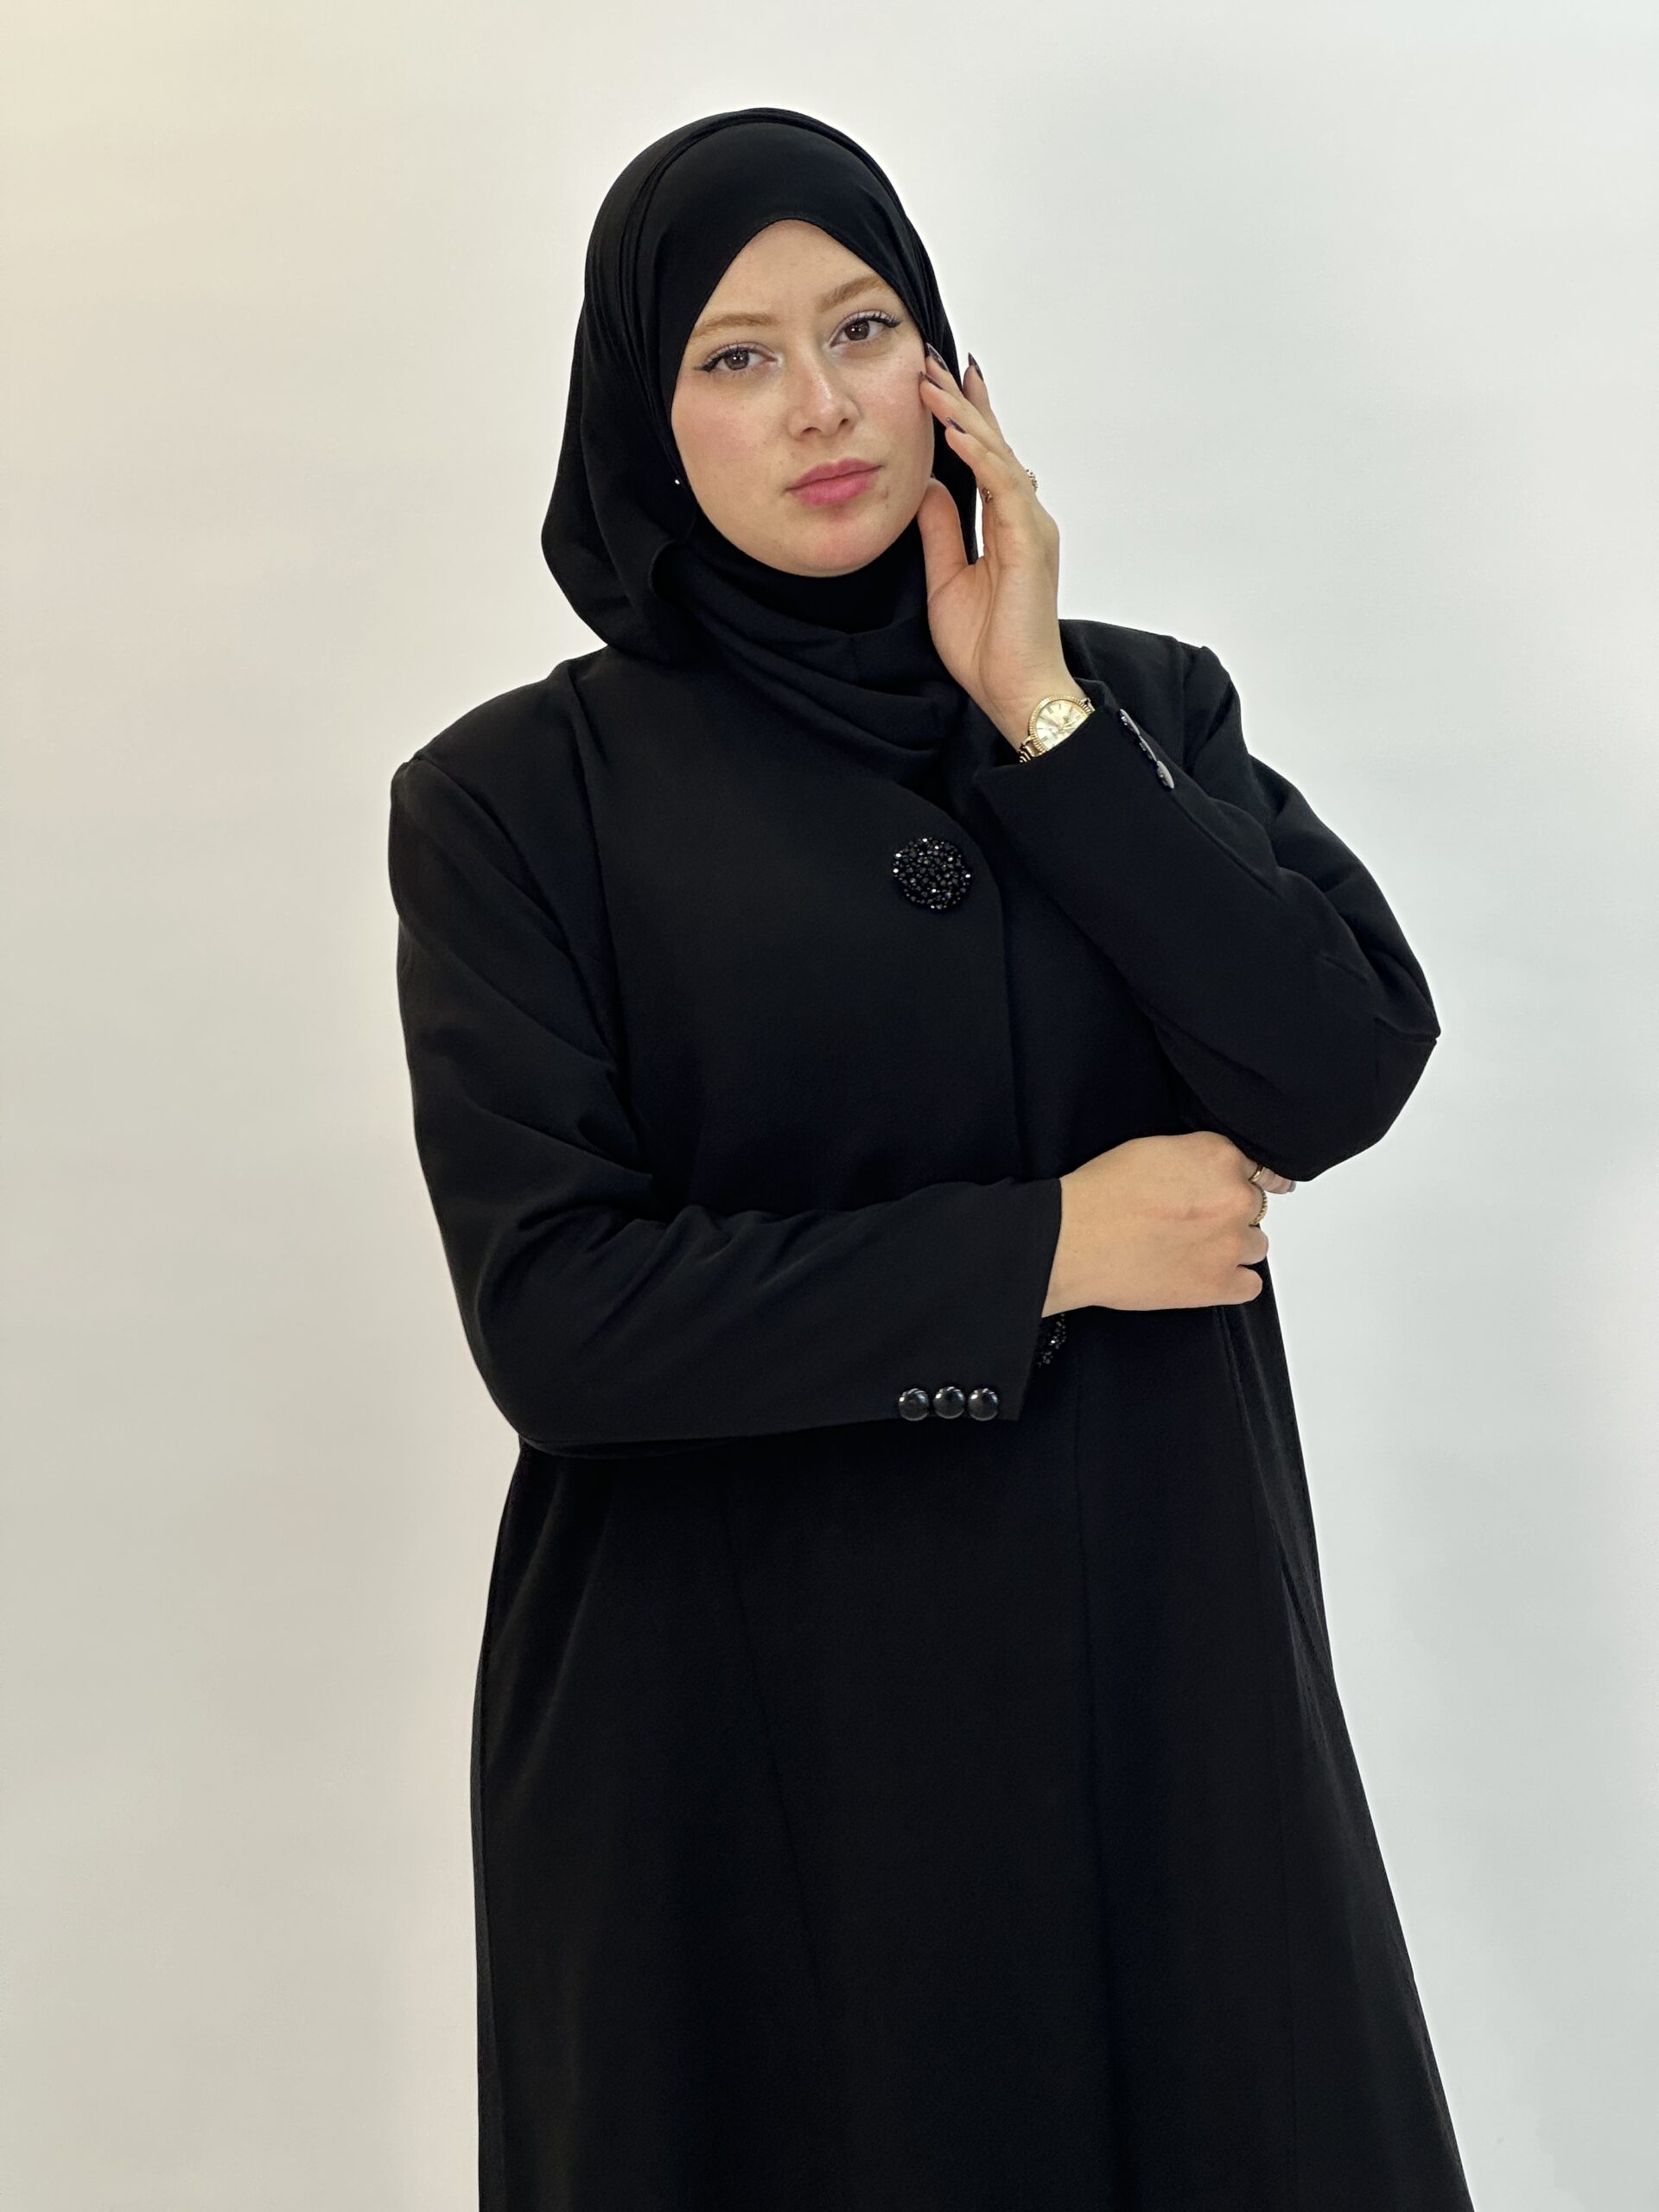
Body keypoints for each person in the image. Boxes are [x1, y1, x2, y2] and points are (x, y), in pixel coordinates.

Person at [387, 105, 1475, 2212]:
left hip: (1160, 1701)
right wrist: (1047, 1242)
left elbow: (1338, 1070)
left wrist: (1040, 718)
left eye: (864, 326)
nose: (821, 404)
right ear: (643, 420)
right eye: (736, 354)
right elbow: (559, 1315)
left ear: (947, 367)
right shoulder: (520, 802)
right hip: (740, 1750)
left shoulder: (1134, 709)